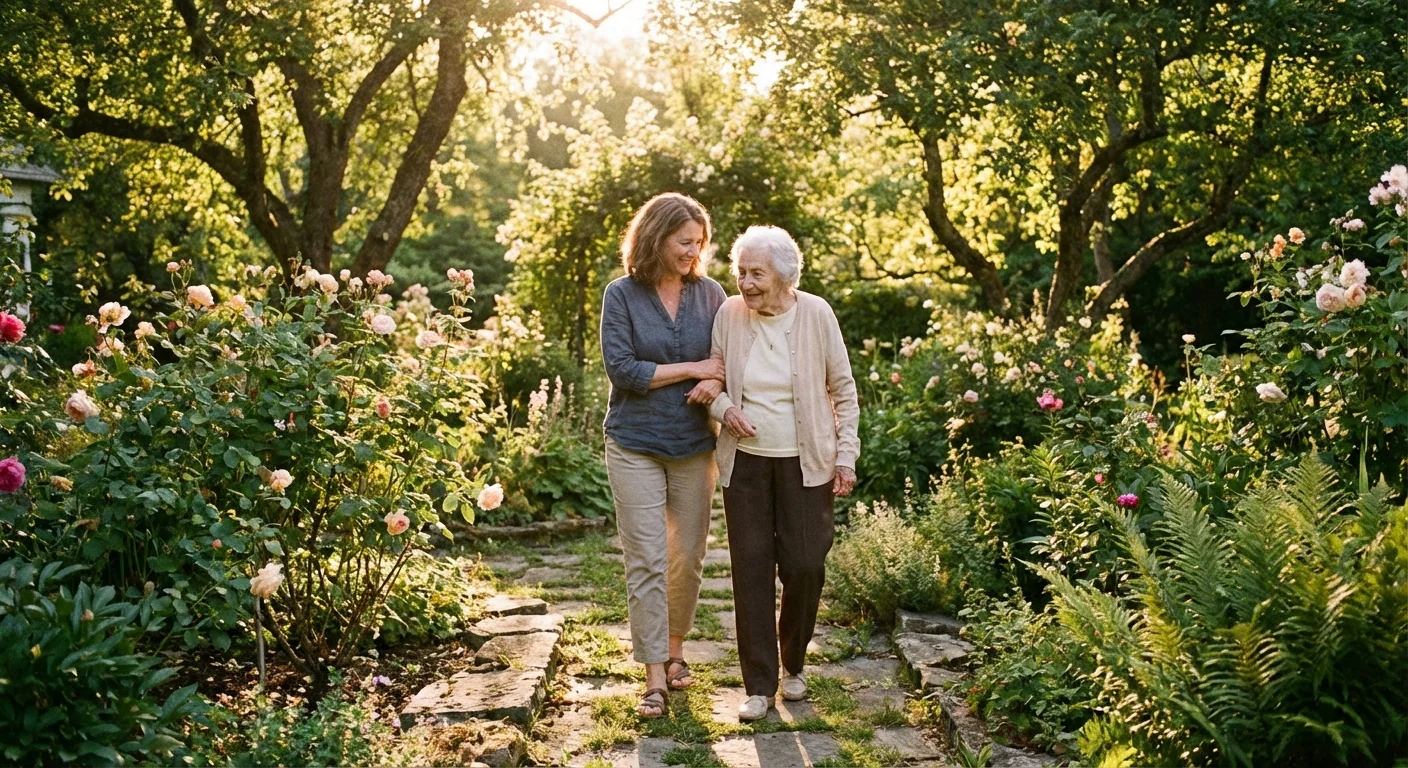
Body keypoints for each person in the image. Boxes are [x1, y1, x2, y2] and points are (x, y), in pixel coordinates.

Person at [705, 225, 860, 722]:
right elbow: (712, 378)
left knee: (805, 565)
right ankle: (758, 684)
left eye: (756, 273)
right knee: (750, 569)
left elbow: (844, 389)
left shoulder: (816, 314)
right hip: (745, 464)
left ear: (785, 275)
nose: (745, 283)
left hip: (806, 462)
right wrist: (726, 408)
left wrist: (845, 455)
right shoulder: (729, 314)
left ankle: (793, 661)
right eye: (740, 272)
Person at [599, 192, 728, 719]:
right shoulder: (622, 295)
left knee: (688, 561)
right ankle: (653, 676)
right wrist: (696, 368)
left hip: (696, 445)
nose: (692, 252)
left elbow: (729, 357)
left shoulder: (712, 293)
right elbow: (624, 371)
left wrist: (714, 374)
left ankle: (675, 651)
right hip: (634, 443)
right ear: (655, 238)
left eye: (698, 243)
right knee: (647, 560)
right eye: (683, 242)